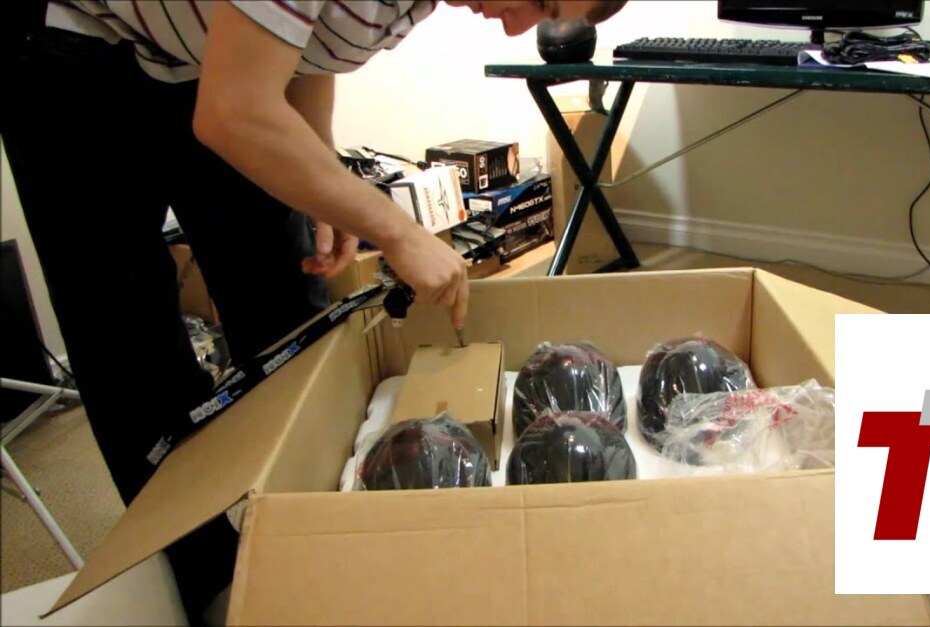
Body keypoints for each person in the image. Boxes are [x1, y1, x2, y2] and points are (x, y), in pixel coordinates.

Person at [1, 0, 626, 624]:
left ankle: (308, 521)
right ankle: (209, 577)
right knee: (127, 337)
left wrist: (323, 176)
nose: (521, 28)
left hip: (203, 54)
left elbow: (306, 44)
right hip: (69, 46)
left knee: (287, 301)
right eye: (542, 1)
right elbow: (232, 112)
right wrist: (398, 232)